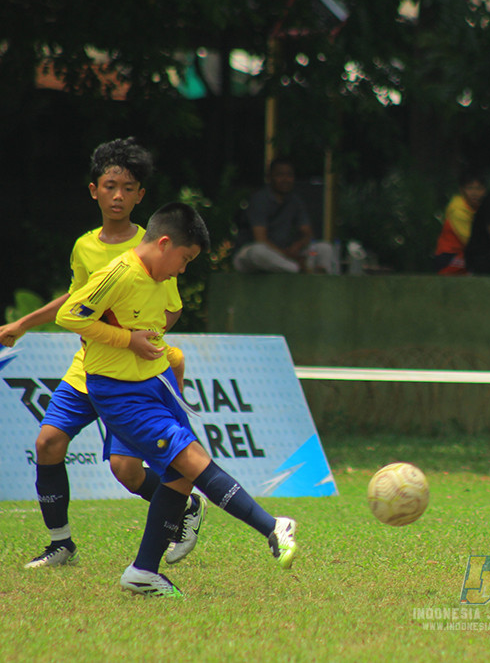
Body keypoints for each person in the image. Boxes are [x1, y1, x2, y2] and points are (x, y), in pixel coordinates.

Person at [56, 202, 298, 597]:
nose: (183, 269)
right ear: (165, 243)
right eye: (184, 259)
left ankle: (143, 571)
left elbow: (163, 321)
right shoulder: (119, 273)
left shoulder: (161, 275)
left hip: (157, 382)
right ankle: (272, 527)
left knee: (182, 474)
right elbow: (69, 314)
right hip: (120, 392)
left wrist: (155, 350)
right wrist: (126, 339)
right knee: (192, 460)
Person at [0, 137, 205, 569]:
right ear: (94, 189)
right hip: (87, 367)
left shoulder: (156, 246)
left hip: (130, 372)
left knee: (127, 471)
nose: (118, 195)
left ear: (140, 196)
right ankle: (61, 544)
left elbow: (170, 312)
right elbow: (76, 301)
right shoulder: (85, 247)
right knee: (48, 442)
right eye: (110, 185)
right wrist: (22, 324)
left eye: (128, 188)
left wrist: (130, 337)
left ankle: (185, 508)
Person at [232, 157, 338, 274]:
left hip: (285, 255)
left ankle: (320, 279)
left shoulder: (295, 201)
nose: (285, 179)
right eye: (280, 175)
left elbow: (308, 234)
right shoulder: (260, 200)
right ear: (270, 177)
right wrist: (287, 255)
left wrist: (298, 245)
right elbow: (261, 239)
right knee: (258, 252)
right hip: (253, 255)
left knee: (324, 248)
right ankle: (298, 269)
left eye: (289, 175)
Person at [433, 170, 487, 274]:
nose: (474, 193)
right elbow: (470, 241)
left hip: (465, 255)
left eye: (478, 188)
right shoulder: (457, 211)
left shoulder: (479, 208)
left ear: (484, 191)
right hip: (449, 256)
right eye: (470, 188)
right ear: (462, 190)